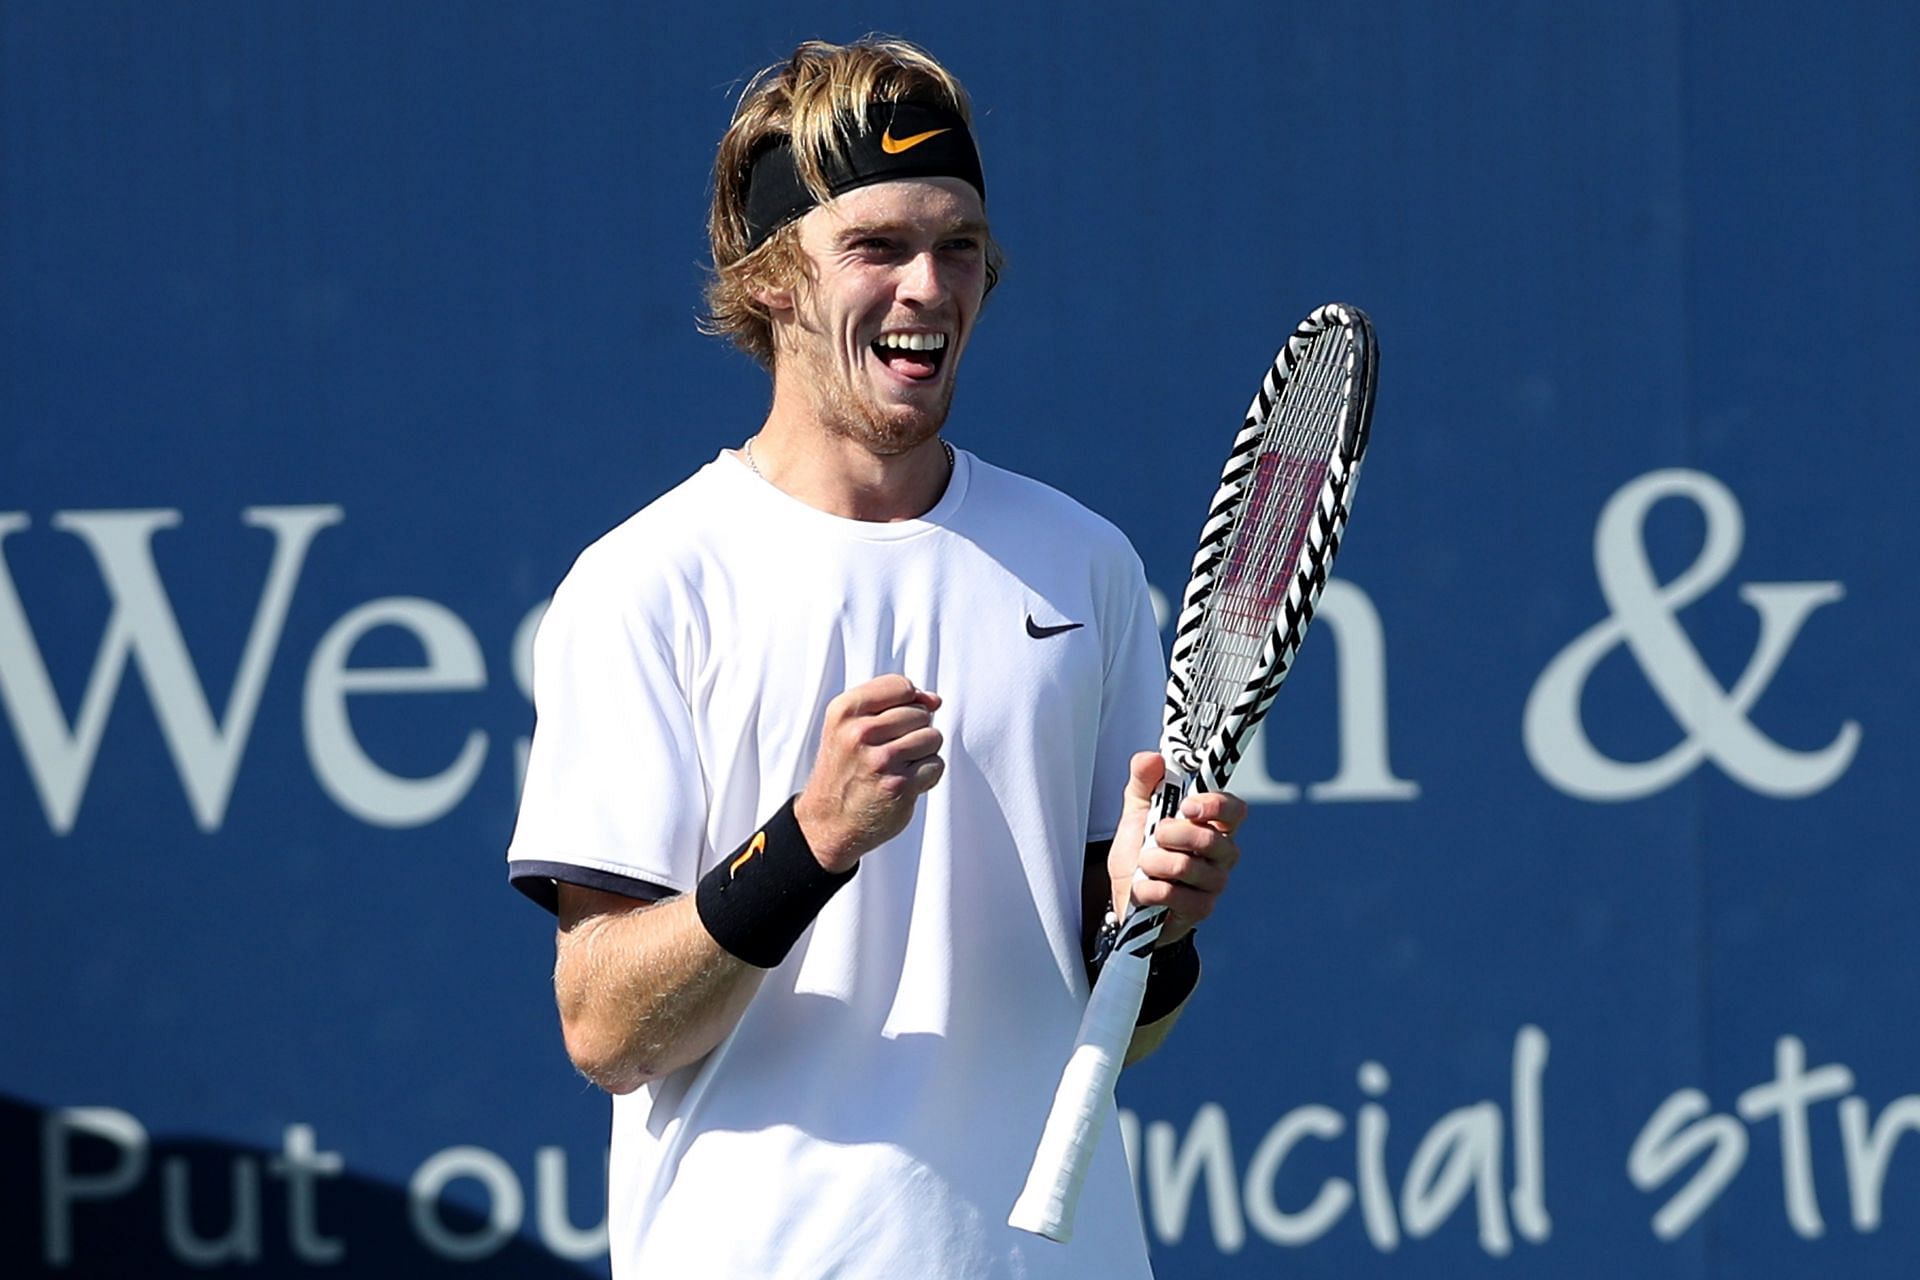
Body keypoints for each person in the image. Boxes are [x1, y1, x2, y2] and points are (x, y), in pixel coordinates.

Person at [507, 36, 1246, 1279]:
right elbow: (606, 1024)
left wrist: (1151, 928)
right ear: (775, 280)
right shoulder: (647, 582)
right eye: (878, 246)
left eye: (959, 246)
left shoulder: (1084, 563)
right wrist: (810, 838)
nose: (929, 286)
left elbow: (1125, 1034)